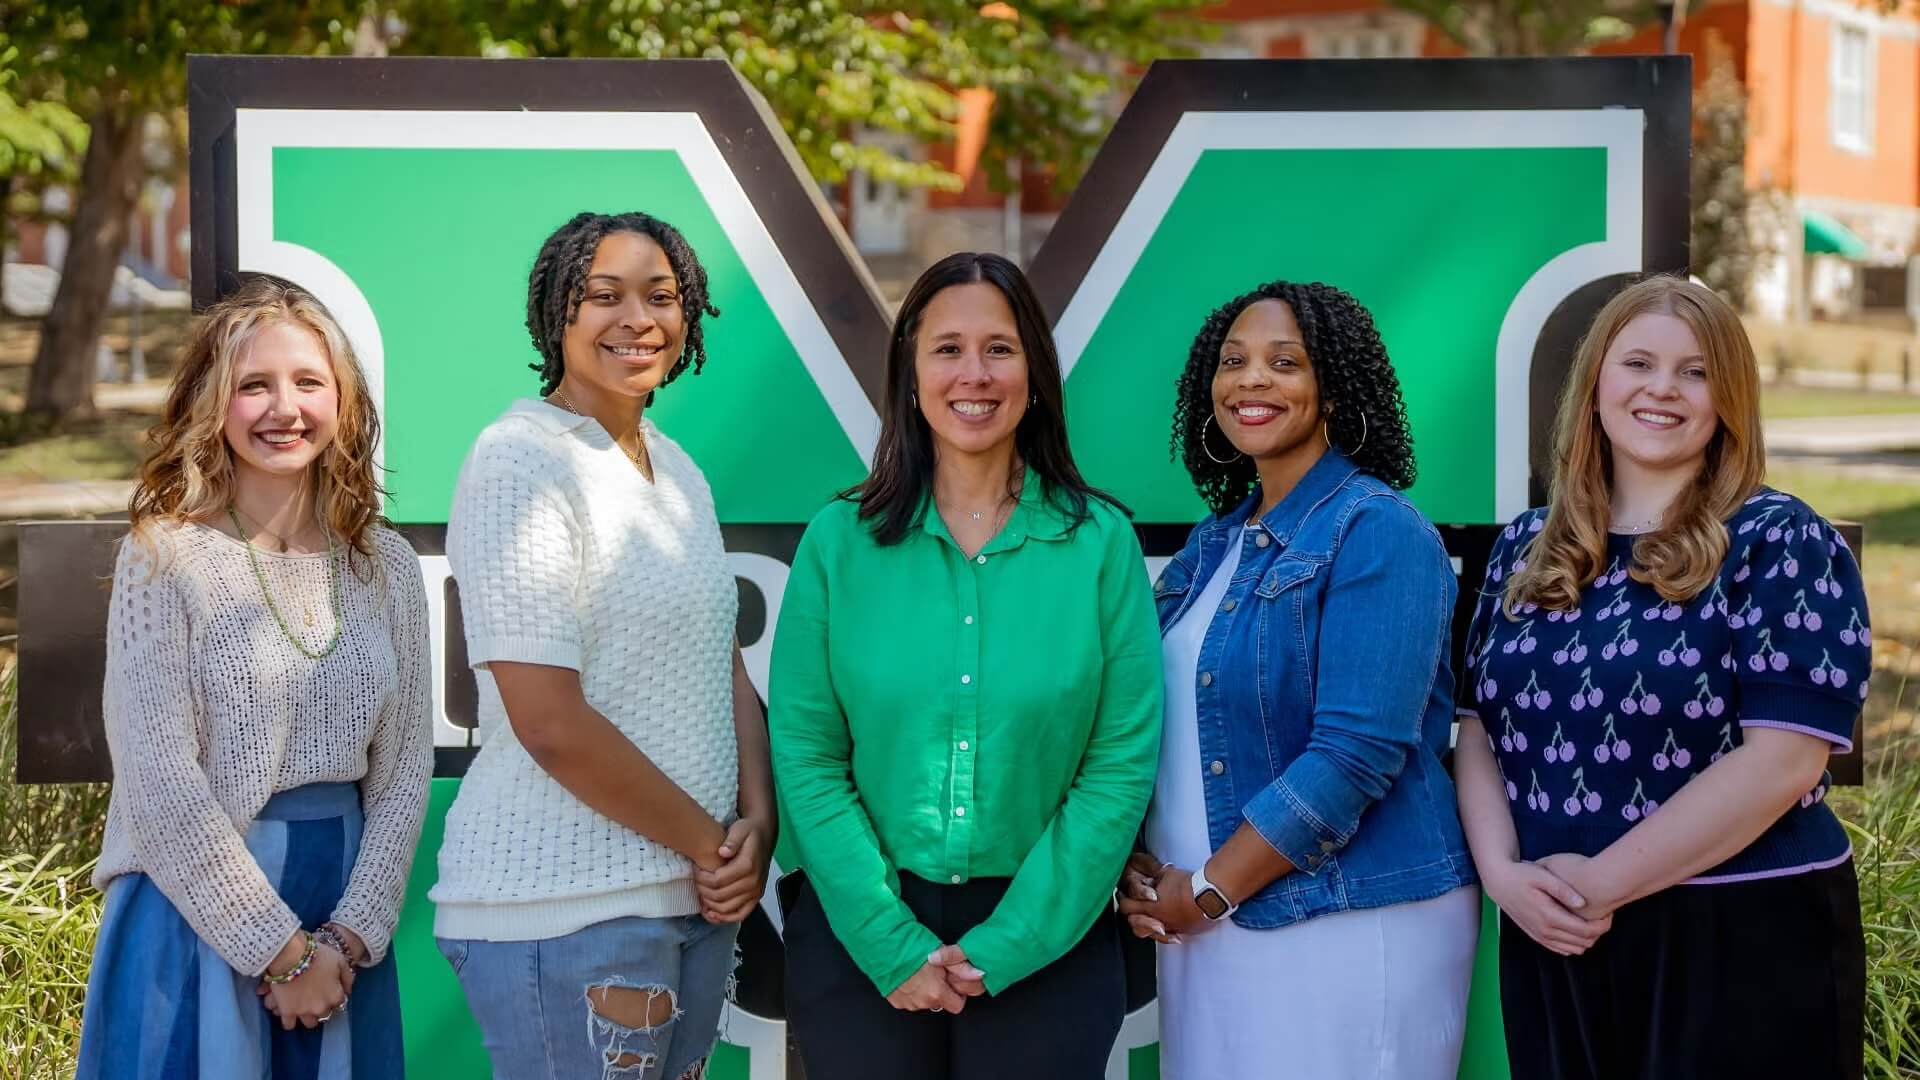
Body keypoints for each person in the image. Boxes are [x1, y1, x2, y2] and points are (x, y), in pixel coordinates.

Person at [1453, 275, 1871, 1079]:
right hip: (1555, 930)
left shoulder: (1779, 540)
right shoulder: (1524, 546)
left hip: (1740, 930)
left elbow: (1785, 760)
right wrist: (1507, 879)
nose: (1662, 390)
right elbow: (1478, 729)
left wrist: (1602, 884)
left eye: (1696, 371)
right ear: (1597, 384)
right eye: (1638, 362)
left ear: (1729, 398)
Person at [768, 251, 1162, 1079]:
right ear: (911, 370)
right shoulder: (838, 542)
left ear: (1034, 374)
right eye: (947, 348)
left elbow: (1119, 764)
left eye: (1000, 348)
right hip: (861, 928)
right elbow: (805, 755)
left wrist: (1011, 943)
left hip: (1048, 932)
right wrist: (888, 940)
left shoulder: (1099, 545)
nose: (973, 374)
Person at [431, 211, 774, 1080]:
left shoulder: (675, 468)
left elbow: (717, 656)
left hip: (689, 899)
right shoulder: (521, 459)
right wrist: (710, 844)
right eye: (604, 296)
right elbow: (548, 721)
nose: (638, 320)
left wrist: (756, 824)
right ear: (558, 315)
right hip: (564, 909)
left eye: (660, 297)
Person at [1117, 280, 1480, 1079]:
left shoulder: (1378, 530)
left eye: (1286, 363)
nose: (1252, 380)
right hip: (1206, 924)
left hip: (1345, 917)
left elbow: (1355, 753)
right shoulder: (1216, 544)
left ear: (1334, 389)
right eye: (1234, 361)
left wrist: (1211, 888)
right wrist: (1142, 857)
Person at [77, 277, 433, 1079]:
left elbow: (404, 769)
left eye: (309, 383)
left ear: (342, 402)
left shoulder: (389, 567)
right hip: (195, 916)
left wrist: (346, 939)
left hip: (341, 923)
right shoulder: (162, 559)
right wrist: (277, 952)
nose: (285, 408)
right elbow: (160, 782)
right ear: (214, 402)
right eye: (254, 385)